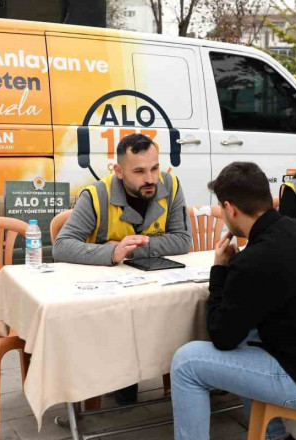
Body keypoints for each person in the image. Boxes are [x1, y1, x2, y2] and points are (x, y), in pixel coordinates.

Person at [170, 162, 296, 440]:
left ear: (230, 208)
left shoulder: (254, 261)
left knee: (186, 363)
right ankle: (274, 436)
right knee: (249, 330)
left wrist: (220, 270)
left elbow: (221, 337)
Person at [54, 132, 192, 403]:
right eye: (139, 171)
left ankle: (184, 376)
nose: (151, 178)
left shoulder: (171, 185)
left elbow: (183, 241)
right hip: (108, 292)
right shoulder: (96, 194)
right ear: (118, 170)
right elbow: (62, 247)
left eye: (154, 168)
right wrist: (112, 251)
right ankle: (121, 378)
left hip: (154, 285)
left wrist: (135, 247)